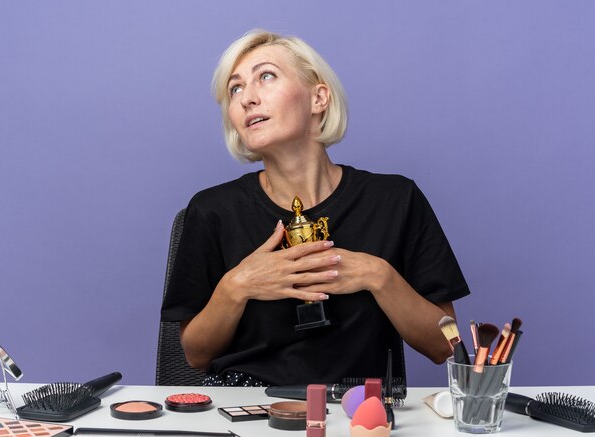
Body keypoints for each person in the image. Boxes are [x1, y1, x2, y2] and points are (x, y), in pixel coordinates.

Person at [161, 29, 470, 387]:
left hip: (360, 413)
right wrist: (238, 285)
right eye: (235, 88)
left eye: (266, 76)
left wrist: (379, 276)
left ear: (318, 98)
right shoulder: (211, 211)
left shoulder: (396, 199)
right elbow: (196, 355)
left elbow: (446, 347)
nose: (247, 98)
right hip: (246, 411)